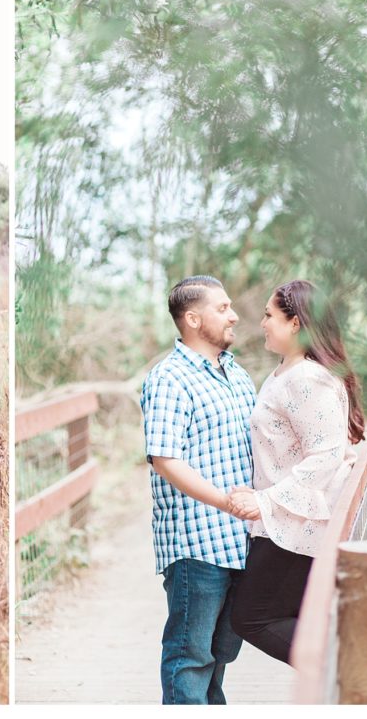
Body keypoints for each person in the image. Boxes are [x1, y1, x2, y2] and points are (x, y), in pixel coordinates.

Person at [229, 279, 364, 664]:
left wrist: (266, 500)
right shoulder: (287, 373)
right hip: (284, 520)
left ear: (295, 323)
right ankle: (339, 683)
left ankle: (347, 669)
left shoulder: (307, 379)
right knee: (297, 618)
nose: (262, 323)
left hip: (295, 521)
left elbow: (327, 453)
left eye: (269, 315)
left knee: (253, 618)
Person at [141, 275, 260, 705]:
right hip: (196, 542)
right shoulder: (169, 379)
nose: (234, 315)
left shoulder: (237, 375)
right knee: (189, 656)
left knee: (219, 655)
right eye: (222, 308)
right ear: (193, 319)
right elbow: (165, 460)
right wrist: (228, 502)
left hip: (240, 540)